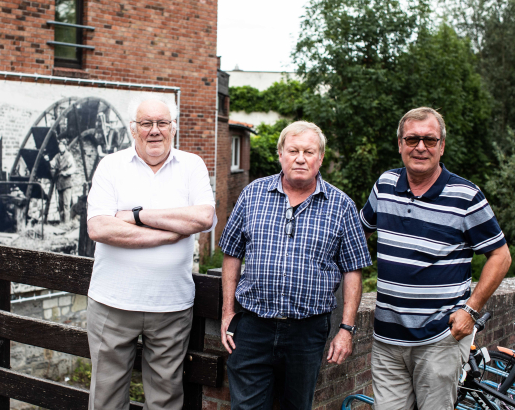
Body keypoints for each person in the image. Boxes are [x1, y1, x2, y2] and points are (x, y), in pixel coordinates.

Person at [360, 107, 512, 410]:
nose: (420, 147)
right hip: (388, 341)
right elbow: (355, 237)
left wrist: (471, 310)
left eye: (430, 140)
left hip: (439, 339)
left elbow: (501, 255)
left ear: (442, 146)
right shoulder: (385, 185)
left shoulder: (465, 196)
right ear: (400, 144)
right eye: (412, 139)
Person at [219, 121, 372, 409]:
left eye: (309, 151)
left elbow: (353, 269)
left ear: (320, 158)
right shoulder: (252, 195)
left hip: (307, 331)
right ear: (280, 154)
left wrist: (346, 329)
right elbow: (231, 254)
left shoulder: (341, 205)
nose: (300, 158)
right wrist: (227, 312)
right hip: (252, 326)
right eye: (293, 150)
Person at [86, 98, 217, 410]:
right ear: (134, 129)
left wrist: (137, 215)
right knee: (106, 396)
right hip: (112, 303)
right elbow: (100, 228)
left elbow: (203, 218)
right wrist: (170, 233)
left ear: (173, 127)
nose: (154, 130)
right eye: (146, 123)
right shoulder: (111, 165)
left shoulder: (192, 165)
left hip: (171, 306)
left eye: (162, 123)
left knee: (166, 397)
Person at [49, 139, 77, 224]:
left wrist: (66, 173)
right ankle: (61, 222)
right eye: (59, 146)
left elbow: (73, 168)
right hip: (59, 183)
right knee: (60, 203)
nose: (61, 147)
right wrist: (48, 161)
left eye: (62, 146)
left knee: (66, 204)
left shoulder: (69, 156)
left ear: (65, 146)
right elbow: (52, 163)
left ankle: (67, 223)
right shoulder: (57, 156)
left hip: (67, 183)